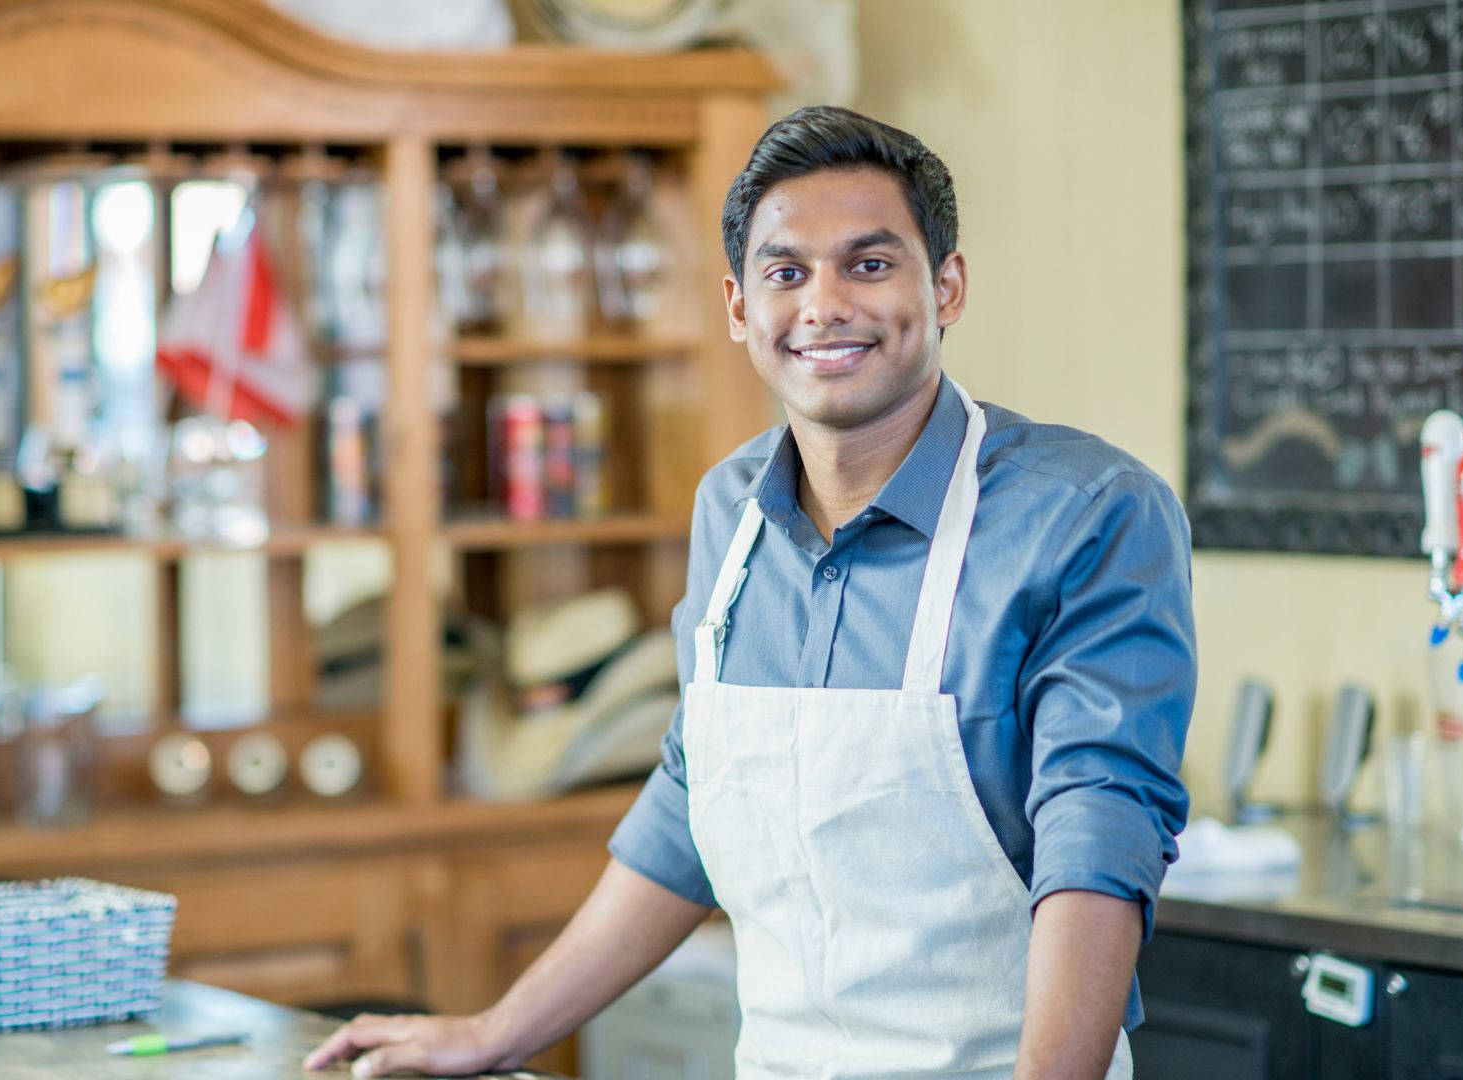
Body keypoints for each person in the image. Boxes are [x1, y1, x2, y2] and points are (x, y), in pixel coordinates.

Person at [305, 105, 1194, 1080]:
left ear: (946, 286)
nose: (823, 306)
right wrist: (496, 1032)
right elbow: (692, 800)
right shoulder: (729, 510)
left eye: (869, 264)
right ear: (738, 307)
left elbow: (1098, 833)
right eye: (786, 272)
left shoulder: (1091, 514)